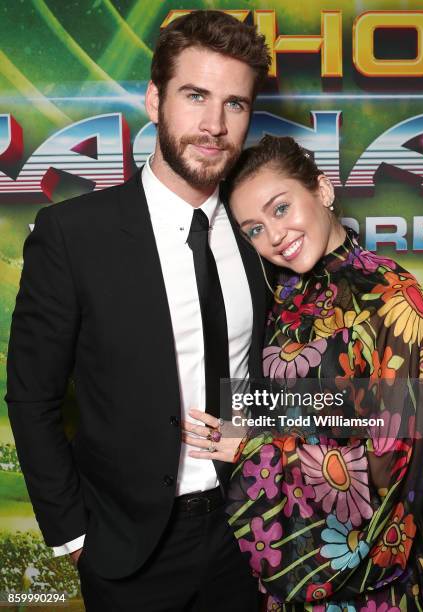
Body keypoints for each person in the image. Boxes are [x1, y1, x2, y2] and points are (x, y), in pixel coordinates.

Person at [5, 11, 272, 612]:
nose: (213, 125)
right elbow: (31, 398)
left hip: (249, 532)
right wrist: (74, 537)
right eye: (195, 96)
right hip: (127, 548)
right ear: (155, 100)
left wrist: (263, 440)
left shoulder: (263, 237)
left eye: (235, 104)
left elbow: (293, 377)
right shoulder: (73, 236)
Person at [186, 135, 423, 610]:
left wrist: (253, 447)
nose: (274, 236)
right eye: (254, 229)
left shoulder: (392, 297)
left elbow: (393, 462)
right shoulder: (277, 295)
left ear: (323, 190)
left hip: (370, 576)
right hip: (288, 562)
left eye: (282, 208)